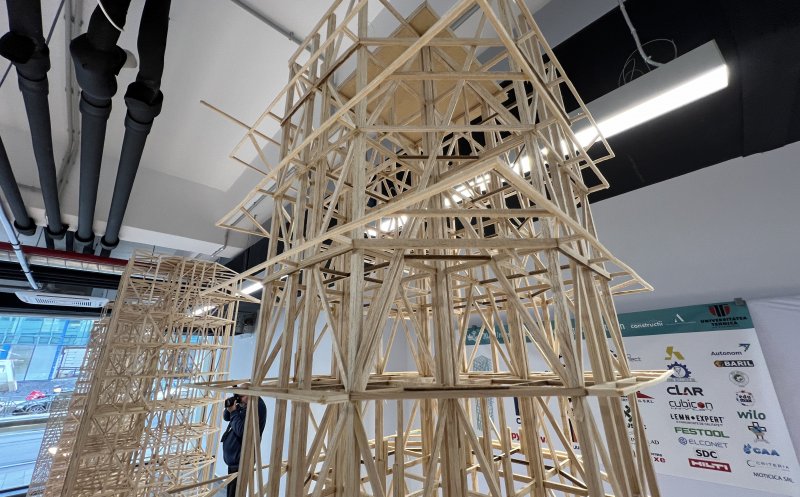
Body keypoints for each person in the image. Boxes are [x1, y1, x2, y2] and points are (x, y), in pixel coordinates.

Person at [221, 393, 267, 497]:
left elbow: (242, 431)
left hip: (242, 461)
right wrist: (231, 404)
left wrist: (233, 412)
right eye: (238, 395)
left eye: (242, 396)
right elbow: (226, 417)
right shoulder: (244, 406)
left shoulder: (257, 406)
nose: (239, 399)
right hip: (233, 462)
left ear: (251, 393)